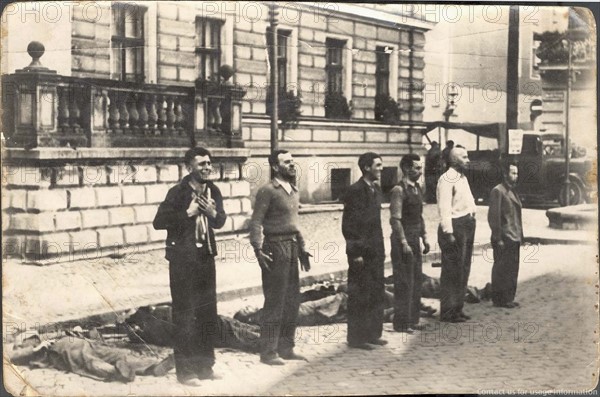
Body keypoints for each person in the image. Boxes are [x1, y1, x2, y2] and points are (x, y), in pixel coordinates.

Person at [153, 146, 227, 386]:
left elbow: (221, 221)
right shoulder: (177, 192)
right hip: (183, 261)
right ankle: (185, 372)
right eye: (201, 164)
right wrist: (189, 212)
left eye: (209, 163)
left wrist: (212, 211)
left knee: (207, 313)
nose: (207, 167)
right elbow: (159, 222)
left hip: (205, 257)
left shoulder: (213, 189)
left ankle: (205, 366)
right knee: (185, 314)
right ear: (189, 168)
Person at [249, 150, 312, 365]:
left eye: (293, 161)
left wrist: (302, 247)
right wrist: (258, 250)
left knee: (292, 300)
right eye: (287, 162)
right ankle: (268, 352)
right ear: (275, 167)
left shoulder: (293, 190)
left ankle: (286, 347)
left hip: (292, 247)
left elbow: (294, 224)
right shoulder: (268, 191)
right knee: (275, 301)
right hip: (275, 248)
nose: (292, 165)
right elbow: (256, 222)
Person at [341, 152, 387, 350]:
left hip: (375, 250)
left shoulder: (375, 189)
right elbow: (349, 226)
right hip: (361, 253)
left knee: (376, 292)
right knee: (360, 294)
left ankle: (373, 333)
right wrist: (355, 252)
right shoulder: (355, 191)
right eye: (378, 165)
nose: (381, 168)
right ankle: (357, 338)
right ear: (367, 167)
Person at [389, 154, 431, 333]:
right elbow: (395, 220)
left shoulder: (417, 189)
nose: (420, 172)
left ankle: (413, 320)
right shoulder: (399, 190)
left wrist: (425, 237)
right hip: (402, 241)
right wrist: (404, 242)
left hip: (415, 239)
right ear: (406, 168)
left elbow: (419, 216)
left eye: (421, 168)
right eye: (417, 168)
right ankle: (401, 322)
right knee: (404, 282)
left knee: (415, 280)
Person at [436, 146, 477, 323]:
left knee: (463, 268)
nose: (468, 160)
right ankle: (447, 311)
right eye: (464, 157)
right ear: (454, 160)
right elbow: (444, 207)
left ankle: (458, 308)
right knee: (452, 270)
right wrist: (448, 232)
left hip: (467, 224)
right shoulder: (446, 179)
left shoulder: (462, 178)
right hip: (455, 226)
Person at [488, 161, 523, 309]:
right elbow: (493, 217)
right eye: (513, 173)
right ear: (505, 174)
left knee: (512, 268)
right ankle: (499, 299)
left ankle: (509, 297)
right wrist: (497, 237)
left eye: (517, 173)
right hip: (504, 236)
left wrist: (521, 235)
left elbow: (517, 215)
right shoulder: (498, 191)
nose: (515, 176)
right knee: (502, 269)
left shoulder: (512, 191)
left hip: (514, 235)